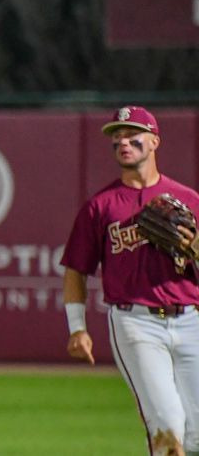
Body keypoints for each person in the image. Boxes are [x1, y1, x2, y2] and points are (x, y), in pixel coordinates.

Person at [61, 105, 199, 456]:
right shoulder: (101, 206)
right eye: (116, 136)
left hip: (191, 319)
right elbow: (76, 268)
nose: (123, 141)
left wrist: (195, 247)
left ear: (154, 141)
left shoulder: (188, 200)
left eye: (132, 134)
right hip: (136, 324)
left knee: (195, 435)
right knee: (167, 425)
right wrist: (77, 328)